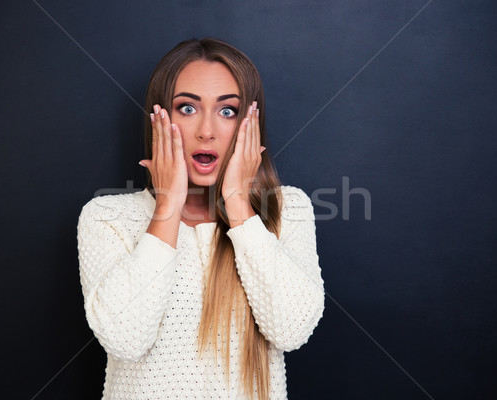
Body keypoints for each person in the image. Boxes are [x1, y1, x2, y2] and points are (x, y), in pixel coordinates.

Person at [77, 38, 325, 400]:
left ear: (249, 125)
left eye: (227, 112)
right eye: (187, 108)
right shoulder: (107, 217)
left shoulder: (289, 210)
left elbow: (291, 330)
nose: (206, 131)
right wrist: (168, 207)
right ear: (159, 118)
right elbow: (124, 340)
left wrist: (238, 203)